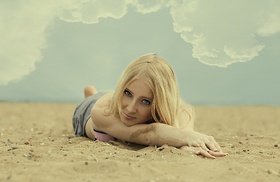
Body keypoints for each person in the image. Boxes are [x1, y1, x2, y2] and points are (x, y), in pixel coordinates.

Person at [72, 53, 227, 159]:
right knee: (94, 98)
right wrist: (188, 137)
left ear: (160, 101)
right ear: (121, 87)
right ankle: (91, 94)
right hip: (89, 110)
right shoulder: (101, 113)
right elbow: (151, 134)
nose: (131, 108)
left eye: (145, 101)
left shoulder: (182, 110)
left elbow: (182, 137)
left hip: (113, 98)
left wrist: (187, 146)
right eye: (127, 93)